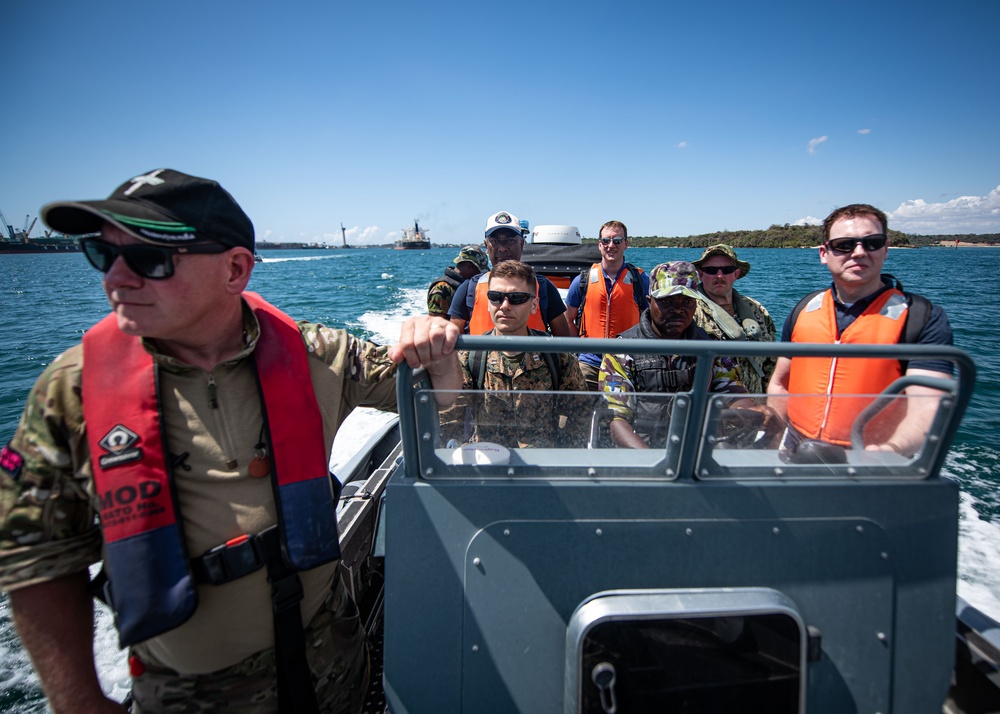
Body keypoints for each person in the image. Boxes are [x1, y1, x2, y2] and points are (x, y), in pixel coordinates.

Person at [0, 169, 461, 714]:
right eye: (103, 254)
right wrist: (77, 701)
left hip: (332, 665)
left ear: (235, 269)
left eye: (148, 258)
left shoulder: (321, 355)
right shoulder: (70, 393)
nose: (115, 279)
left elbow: (443, 406)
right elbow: (37, 557)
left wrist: (438, 347)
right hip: (188, 698)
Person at [767, 203, 954, 457]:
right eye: (844, 244)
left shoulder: (921, 317)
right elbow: (781, 383)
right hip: (796, 445)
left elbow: (929, 403)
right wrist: (770, 442)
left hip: (872, 455)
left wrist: (889, 451)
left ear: (886, 248)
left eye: (871, 243)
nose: (858, 252)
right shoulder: (804, 309)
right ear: (824, 253)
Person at [599, 262, 759, 449]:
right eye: (667, 302)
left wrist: (753, 415)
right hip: (641, 453)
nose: (678, 309)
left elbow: (732, 392)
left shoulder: (710, 349)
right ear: (649, 301)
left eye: (687, 302)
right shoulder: (622, 350)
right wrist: (652, 464)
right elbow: (616, 419)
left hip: (697, 452)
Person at [440, 261, 587, 449]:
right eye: (496, 297)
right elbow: (449, 419)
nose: (505, 305)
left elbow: (581, 411)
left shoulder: (556, 355)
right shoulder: (471, 357)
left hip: (543, 466)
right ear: (487, 303)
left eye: (516, 297)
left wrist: (563, 459)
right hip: (489, 463)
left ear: (534, 305)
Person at [448, 211, 573, 336]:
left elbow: (563, 343)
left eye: (510, 240)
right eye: (495, 241)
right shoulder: (468, 289)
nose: (502, 248)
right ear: (486, 245)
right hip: (481, 356)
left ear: (522, 244)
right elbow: (452, 342)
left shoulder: (544, 287)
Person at [564, 220, 649, 390]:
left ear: (626, 243)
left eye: (617, 240)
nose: (611, 245)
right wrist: (580, 347)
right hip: (589, 362)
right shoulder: (582, 280)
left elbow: (651, 320)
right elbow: (567, 319)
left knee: (625, 413)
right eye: (606, 240)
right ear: (599, 245)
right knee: (577, 410)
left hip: (628, 362)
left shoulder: (641, 280)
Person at [691, 244, 777, 396]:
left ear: (736, 274)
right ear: (700, 274)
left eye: (727, 270)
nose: (719, 276)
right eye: (711, 270)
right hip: (712, 411)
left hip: (754, 410)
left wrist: (769, 402)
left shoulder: (757, 309)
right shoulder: (690, 311)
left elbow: (771, 363)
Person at [427, 245, 489, 318]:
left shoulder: (465, 285)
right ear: (471, 267)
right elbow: (436, 323)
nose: (480, 276)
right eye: (480, 271)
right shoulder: (442, 287)